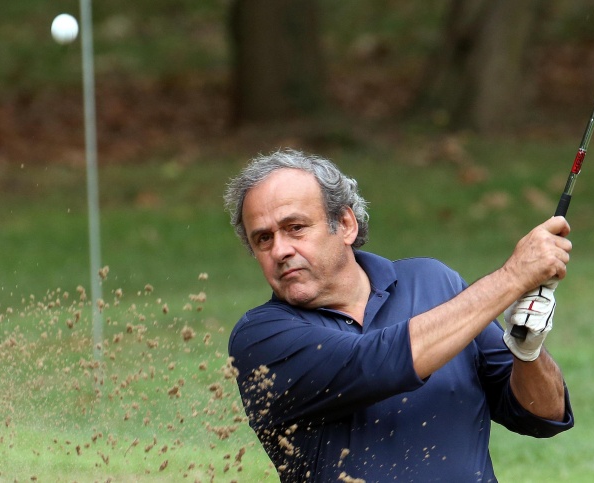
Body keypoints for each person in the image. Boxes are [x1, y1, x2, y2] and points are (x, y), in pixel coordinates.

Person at [223, 149, 574, 482]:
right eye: (263, 239)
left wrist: (528, 350)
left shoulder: (435, 282)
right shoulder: (260, 338)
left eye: (295, 227)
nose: (280, 250)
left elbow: (542, 415)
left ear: (345, 223)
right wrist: (512, 278)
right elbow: (378, 362)